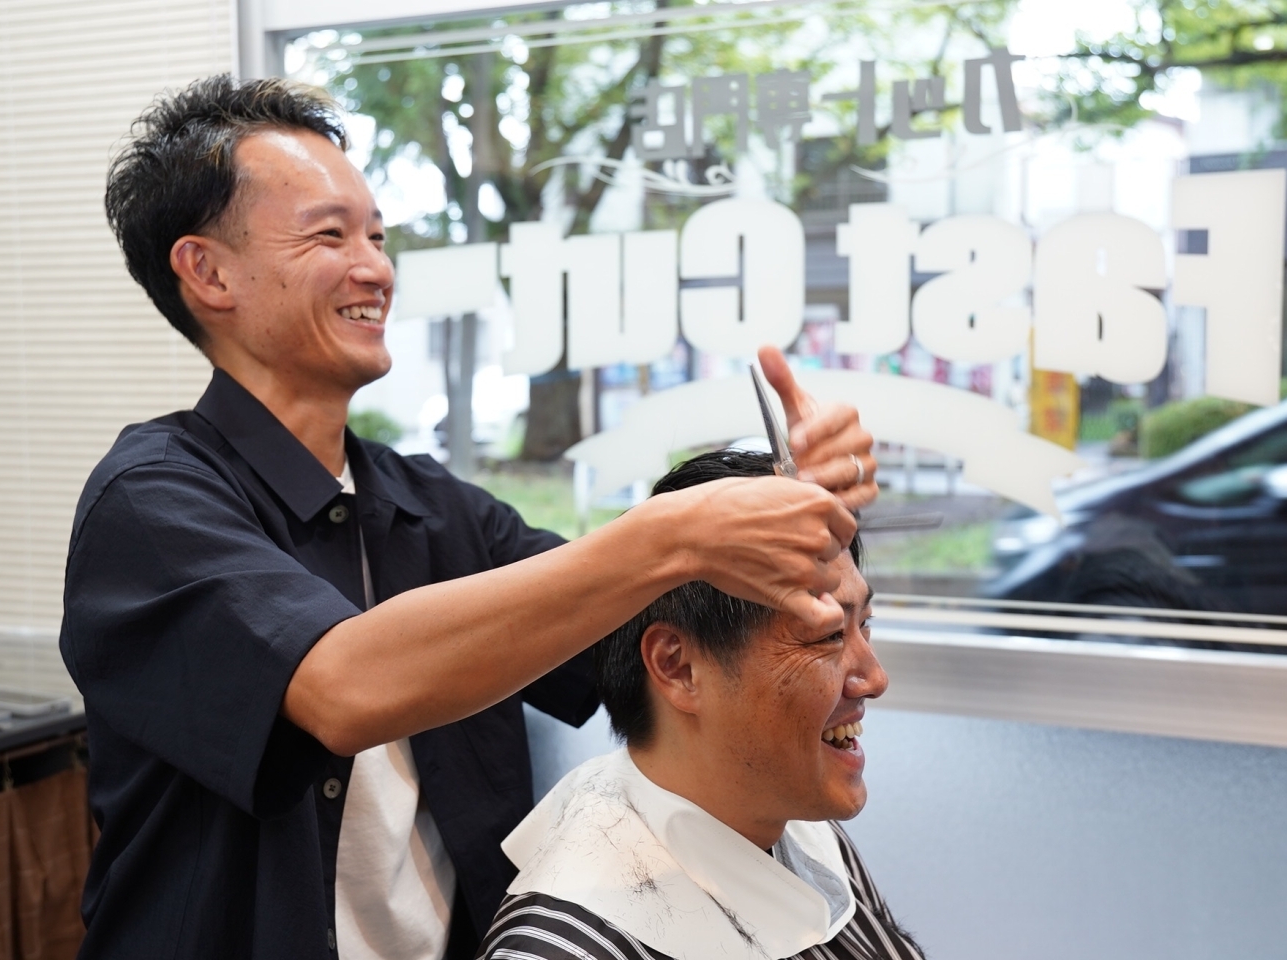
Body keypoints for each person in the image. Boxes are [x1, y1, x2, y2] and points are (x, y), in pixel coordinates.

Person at [62, 76, 878, 960]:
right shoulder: (148, 504)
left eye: (377, 235)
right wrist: (677, 536)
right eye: (329, 234)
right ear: (207, 271)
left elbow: (647, 649)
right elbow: (341, 688)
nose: (374, 266)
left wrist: (785, 499)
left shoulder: (429, 507)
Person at [479, 450, 924, 960]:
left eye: (862, 624)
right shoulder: (564, 948)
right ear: (678, 666)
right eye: (825, 636)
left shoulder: (803, 832)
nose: (874, 678)